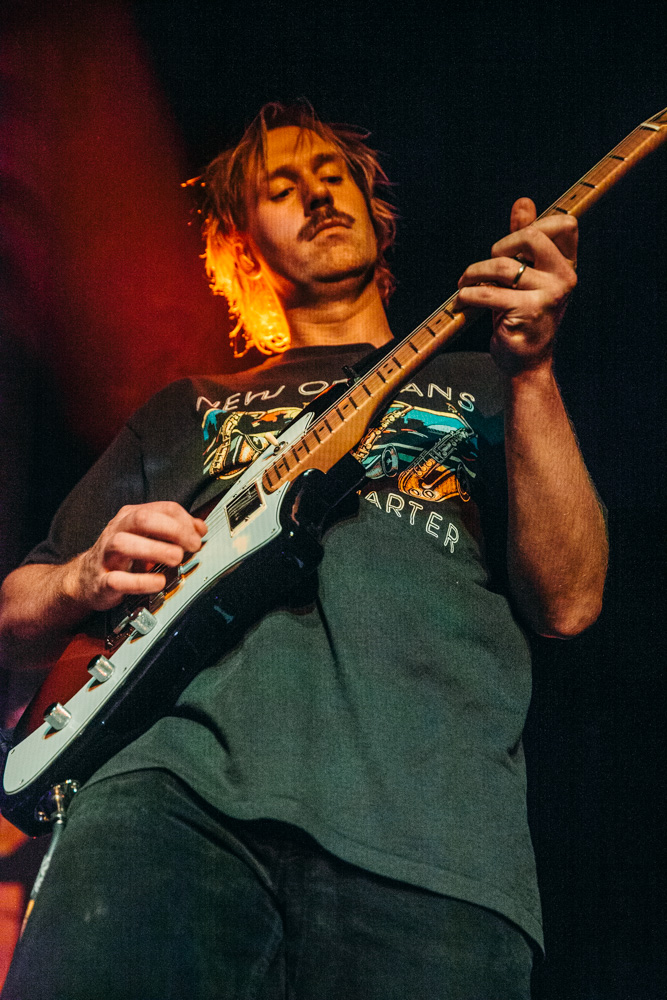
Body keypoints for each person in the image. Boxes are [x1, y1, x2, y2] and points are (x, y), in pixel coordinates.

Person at [0, 103, 607, 999]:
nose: (318, 194)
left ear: (374, 209)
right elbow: (16, 614)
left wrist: (533, 374)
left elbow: (570, 601)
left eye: (334, 176)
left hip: (435, 843)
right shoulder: (183, 407)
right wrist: (81, 575)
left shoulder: (492, 383)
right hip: (162, 803)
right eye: (280, 189)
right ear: (242, 253)